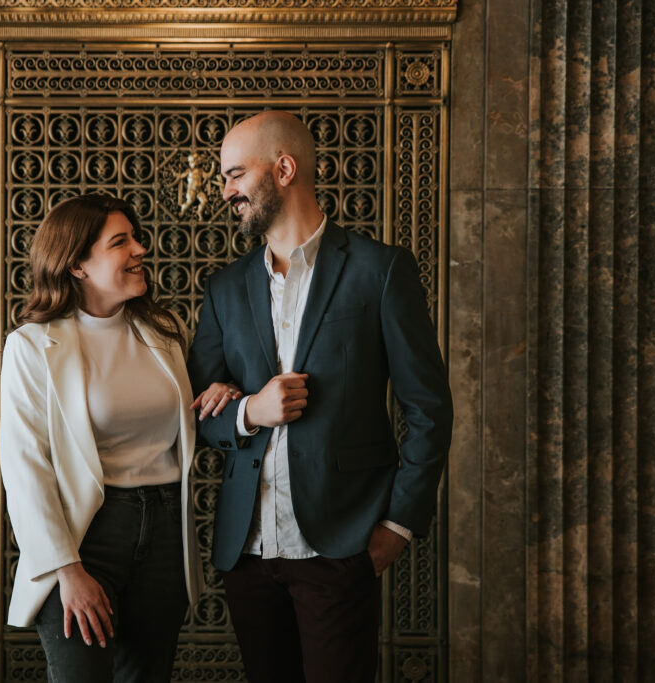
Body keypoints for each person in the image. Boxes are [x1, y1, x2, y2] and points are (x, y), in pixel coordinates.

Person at [187, 112, 453, 682]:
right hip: (247, 552)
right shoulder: (225, 288)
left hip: (340, 548)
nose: (226, 190)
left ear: (284, 169)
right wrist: (247, 412)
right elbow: (197, 418)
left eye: (235, 174)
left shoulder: (380, 272)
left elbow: (428, 410)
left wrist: (399, 526)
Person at [0, 194, 239, 683]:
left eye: (136, 237)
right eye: (120, 242)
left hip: (166, 528)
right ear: (79, 265)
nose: (140, 249)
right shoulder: (31, 346)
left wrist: (224, 392)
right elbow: (26, 470)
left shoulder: (165, 331)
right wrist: (68, 570)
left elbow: (196, 417)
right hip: (85, 538)